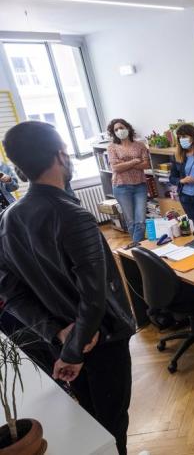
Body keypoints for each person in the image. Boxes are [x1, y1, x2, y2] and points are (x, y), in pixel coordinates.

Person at [0, 121, 135, 454]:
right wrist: (75, 346)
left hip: (59, 340)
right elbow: (95, 294)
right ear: (60, 156)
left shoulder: (8, 219)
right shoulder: (73, 216)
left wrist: (58, 334)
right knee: (113, 421)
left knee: (90, 415)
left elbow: (10, 293)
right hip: (99, 340)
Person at [107, 118, 150, 243]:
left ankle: (136, 247)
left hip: (140, 186)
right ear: (113, 133)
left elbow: (146, 165)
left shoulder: (140, 145)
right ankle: (138, 248)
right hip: (121, 187)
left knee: (141, 220)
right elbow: (115, 168)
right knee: (131, 221)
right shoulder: (112, 147)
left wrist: (125, 163)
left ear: (128, 128)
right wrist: (135, 161)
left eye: (121, 127)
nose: (119, 131)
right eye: (116, 129)